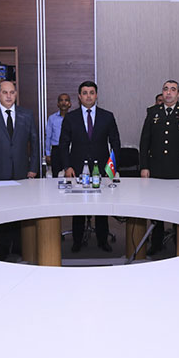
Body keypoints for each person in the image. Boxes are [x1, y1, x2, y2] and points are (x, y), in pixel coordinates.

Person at [0, 81, 39, 260]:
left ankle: (19, 246)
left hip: (22, 172)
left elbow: (35, 143)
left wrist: (33, 168)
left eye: (12, 92)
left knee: (20, 210)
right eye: (5, 92)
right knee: (2, 211)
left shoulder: (26, 114)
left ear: (16, 94)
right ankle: (4, 246)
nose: (9, 96)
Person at [139, 80, 179, 255]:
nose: (168, 92)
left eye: (173, 90)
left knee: (178, 207)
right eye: (165, 89)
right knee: (156, 207)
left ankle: (178, 242)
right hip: (156, 168)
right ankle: (156, 242)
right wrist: (144, 166)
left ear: (178, 94)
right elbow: (145, 141)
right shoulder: (153, 112)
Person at [59, 81, 121, 253]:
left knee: (101, 206)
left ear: (96, 95)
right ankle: (77, 241)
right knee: (78, 207)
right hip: (77, 168)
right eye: (85, 93)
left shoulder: (107, 116)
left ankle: (102, 240)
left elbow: (115, 142)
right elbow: (63, 144)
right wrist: (67, 166)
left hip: (102, 168)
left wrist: (111, 168)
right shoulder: (70, 118)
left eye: (91, 92)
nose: (88, 96)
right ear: (79, 96)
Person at [44, 93, 71, 177]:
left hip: (70, 150)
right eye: (61, 100)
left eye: (66, 100)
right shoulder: (52, 118)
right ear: (58, 104)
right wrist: (48, 154)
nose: (64, 103)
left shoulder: (73, 118)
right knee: (55, 176)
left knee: (70, 175)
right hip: (56, 150)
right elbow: (48, 137)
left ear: (69, 104)